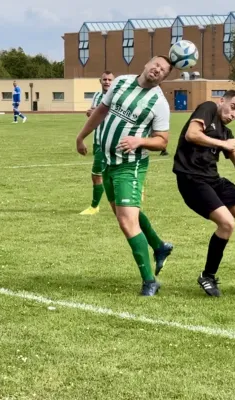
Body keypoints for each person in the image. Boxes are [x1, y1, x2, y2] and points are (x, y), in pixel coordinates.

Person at [76, 56, 174, 296]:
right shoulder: (121, 83)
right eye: (156, 64)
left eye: (162, 70)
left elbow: (162, 141)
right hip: (109, 163)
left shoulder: (158, 102)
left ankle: (150, 281)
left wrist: (139, 141)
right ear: (146, 63)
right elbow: (101, 111)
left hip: (130, 167)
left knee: (126, 221)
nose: (157, 69)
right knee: (127, 214)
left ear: (163, 77)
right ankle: (160, 246)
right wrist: (81, 136)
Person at [173, 90, 235, 297]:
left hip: (213, 180)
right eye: (233, 107)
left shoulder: (226, 133)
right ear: (221, 101)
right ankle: (207, 276)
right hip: (191, 179)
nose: (234, 114)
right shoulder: (208, 108)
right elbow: (192, 134)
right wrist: (222, 144)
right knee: (226, 223)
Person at [80, 71, 114, 215]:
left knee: (98, 174)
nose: (107, 82)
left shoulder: (116, 96)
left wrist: (96, 113)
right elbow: (94, 114)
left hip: (109, 140)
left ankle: (94, 206)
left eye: (109, 80)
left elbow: (112, 116)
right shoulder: (96, 96)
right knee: (103, 173)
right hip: (97, 139)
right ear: (100, 81)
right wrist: (90, 113)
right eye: (104, 79)